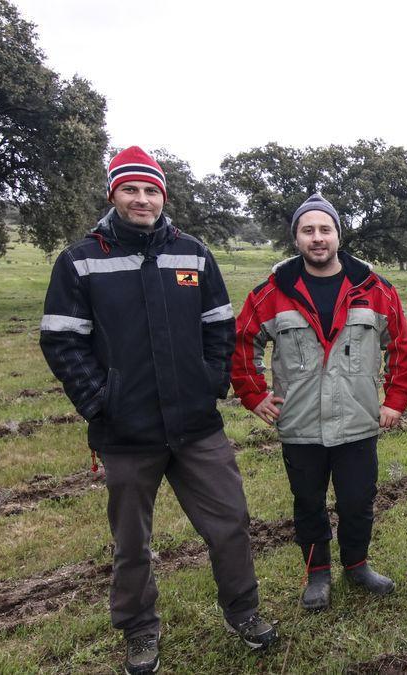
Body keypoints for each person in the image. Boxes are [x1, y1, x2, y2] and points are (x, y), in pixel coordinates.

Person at [40, 146, 277, 675]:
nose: (142, 199)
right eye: (131, 189)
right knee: (132, 545)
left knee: (231, 525)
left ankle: (243, 612)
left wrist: (212, 381)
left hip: (196, 427)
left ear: (162, 196)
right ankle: (140, 632)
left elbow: (220, 324)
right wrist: (101, 402)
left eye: (151, 190)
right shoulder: (80, 260)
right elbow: (61, 342)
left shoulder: (192, 253)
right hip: (125, 433)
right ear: (114, 195)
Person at [231, 193, 407, 611]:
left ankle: (357, 565)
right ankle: (317, 574)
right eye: (308, 230)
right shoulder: (271, 293)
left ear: (338, 234)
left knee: (357, 501)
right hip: (300, 424)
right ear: (296, 237)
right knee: (308, 504)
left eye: (325, 229)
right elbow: (241, 343)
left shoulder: (375, 289)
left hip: (358, 421)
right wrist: (254, 395)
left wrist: (396, 401)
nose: (318, 238)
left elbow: (402, 346)